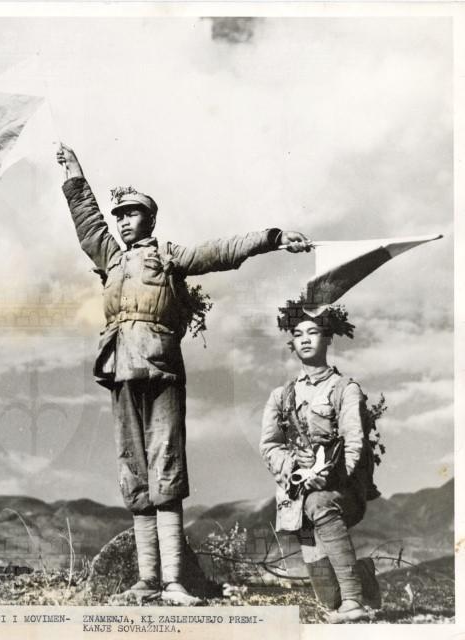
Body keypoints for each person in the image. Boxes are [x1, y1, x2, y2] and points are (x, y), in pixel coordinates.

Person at [56, 143, 311, 604]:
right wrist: (74, 173)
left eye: (133, 214)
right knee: (133, 471)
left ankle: (174, 582)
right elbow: (87, 221)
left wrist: (273, 238)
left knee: (167, 466)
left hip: (162, 371)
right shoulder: (110, 258)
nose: (124, 221)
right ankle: (146, 580)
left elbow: (220, 251)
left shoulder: (169, 256)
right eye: (120, 215)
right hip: (119, 369)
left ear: (150, 220)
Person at [259, 300, 381, 623]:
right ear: (292, 344)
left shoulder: (345, 389)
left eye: (313, 332)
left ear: (327, 338)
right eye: (298, 334)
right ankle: (362, 577)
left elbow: (354, 443)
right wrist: (294, 468)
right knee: (327, 598)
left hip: (342, 489)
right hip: (298, 495)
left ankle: (353, 602)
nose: (305, 339)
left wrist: (329, 477)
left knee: (319, 502)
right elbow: (269, 446)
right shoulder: (281, 396)